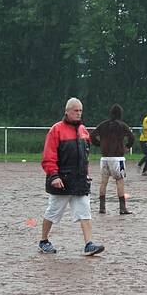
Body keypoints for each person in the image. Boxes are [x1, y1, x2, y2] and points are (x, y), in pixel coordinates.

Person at [39, 97, 104, 256]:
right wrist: (54, 176)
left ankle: (89, 244)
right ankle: (44, 241)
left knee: (85, 212)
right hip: (61, 181)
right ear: (67, 111)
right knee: (53, 212)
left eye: (80, 110)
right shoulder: (56, 130)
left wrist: (86, 175)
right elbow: (49, 156)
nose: (79, 113)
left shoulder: (83, 130)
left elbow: (85, 157)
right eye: (75, 110)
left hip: (80, 181)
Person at [90, 104, 135, 214]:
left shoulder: (103, 124)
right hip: (117, 158)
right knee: (119, 181)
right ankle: (122, 208)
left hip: (104, 158)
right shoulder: (122, 125)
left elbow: (92, 135)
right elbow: (132, 137)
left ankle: (102, 207)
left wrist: (99, 144)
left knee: (103, 182)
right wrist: (127, 147)